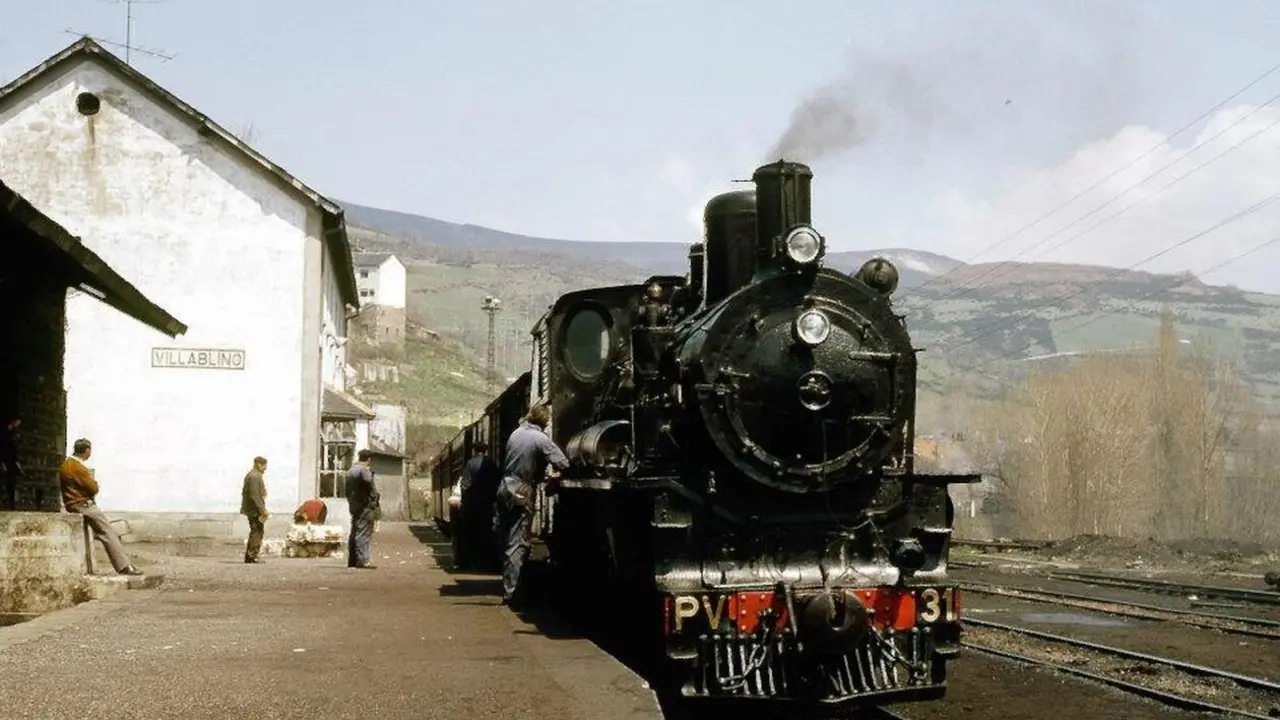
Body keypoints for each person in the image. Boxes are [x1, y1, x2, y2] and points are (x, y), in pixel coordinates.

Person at [497, 405, 569, 606]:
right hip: (521, 489)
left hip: (505, 486)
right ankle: (512, 593)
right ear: (544, 422)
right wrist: (555, 477)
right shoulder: (540, 438)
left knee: (507, 540)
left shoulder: (516, 433)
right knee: (518, 541)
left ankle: (511, 585)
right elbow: (563, 462)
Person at [58, 438, 142, 576]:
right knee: (108, 532)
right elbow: (93, 488)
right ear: (86, 450)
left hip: (74, 503)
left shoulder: (67, 464)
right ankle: (124, 566)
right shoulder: (77, 467)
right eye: (89, 450)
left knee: (105, 531)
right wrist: (94, 483)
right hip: (82, 504)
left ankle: (125, 564)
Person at [454, 441, 501, 571]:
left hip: (472, 503)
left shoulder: (470, 463)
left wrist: (464, 501)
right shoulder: (491, 464)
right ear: (486, 451)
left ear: (475, 450)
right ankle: (486, 562)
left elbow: (465, 484)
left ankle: (468, 562)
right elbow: (497, 483)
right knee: (486, 532)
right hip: (487, 504)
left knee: (469, 533)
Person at [345, 449, 380, 569]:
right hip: (365, 505)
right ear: (369, 459)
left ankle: (352, 560)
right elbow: (369, 483)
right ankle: (363, 561)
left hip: (354, 505)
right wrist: (374, 499)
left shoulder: (351, 470)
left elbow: (347, 491)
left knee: (354, 532)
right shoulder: (364, 470)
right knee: (364, 533)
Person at [240, 456, 269, 564]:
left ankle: (251, 555)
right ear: (258, 464)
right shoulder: (255, 476)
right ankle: (252, 556)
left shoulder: (254, 475)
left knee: (256, 531)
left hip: (254, 509)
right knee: (257, 532)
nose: (265, 468)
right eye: (264, 465)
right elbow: (255, 496)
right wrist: (262, 510)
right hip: (254, 510)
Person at [0, 418, 21, 510]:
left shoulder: (11, 437)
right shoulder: (4, 436)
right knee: (5, 484)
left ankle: (11, 505)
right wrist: (2, 463)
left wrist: (17, 463)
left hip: (10, 464)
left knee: (11, 485)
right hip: (5, 463)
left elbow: (13, 453)